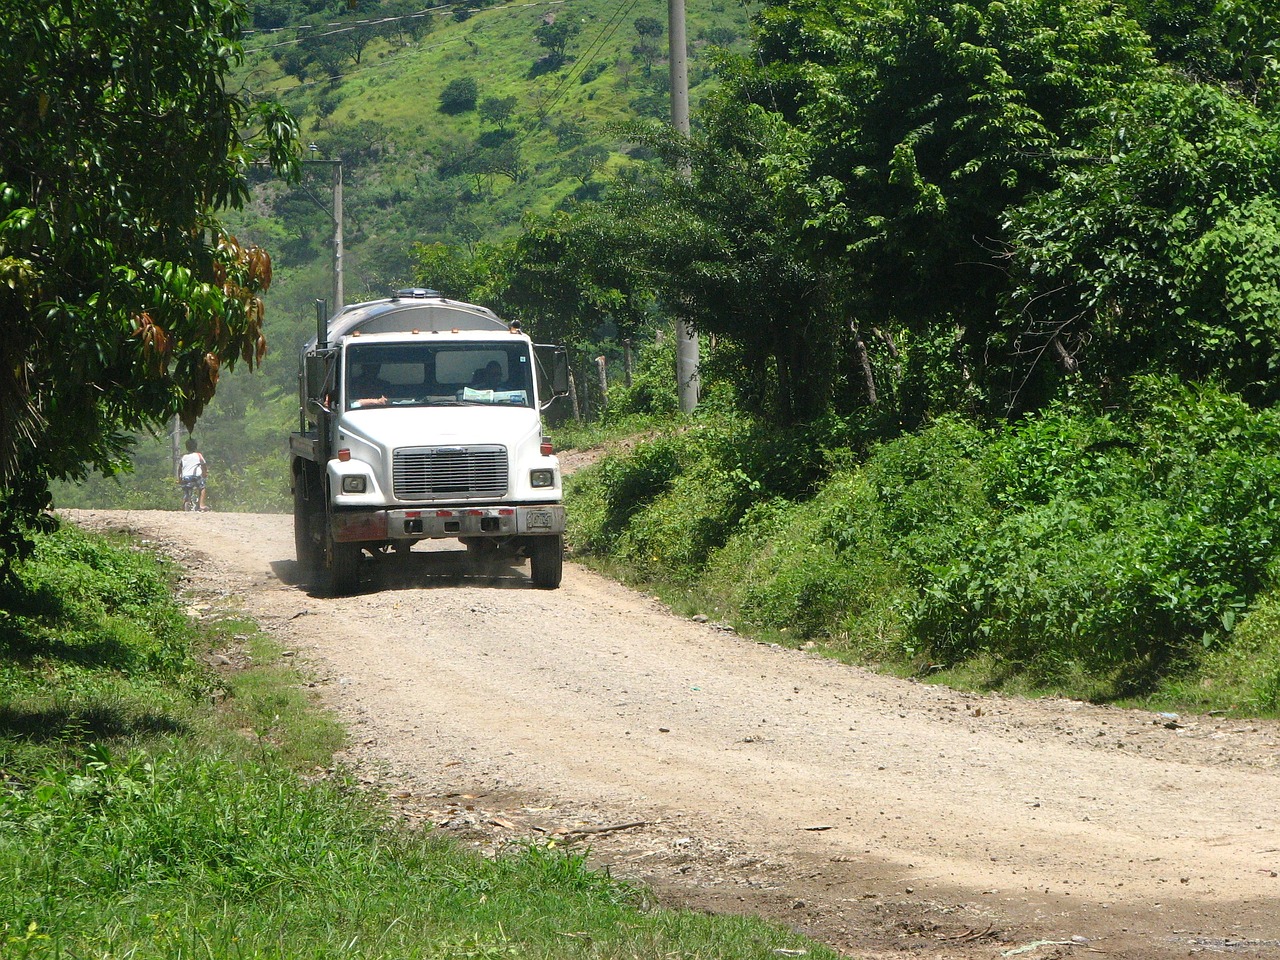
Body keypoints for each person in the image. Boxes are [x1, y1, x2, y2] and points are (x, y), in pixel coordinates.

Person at [178, 437, 209, 511]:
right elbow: (203, 465)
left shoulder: (184, 457)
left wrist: (179, 479)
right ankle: (201, 505)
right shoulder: (198, 455)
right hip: (195, 476)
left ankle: (185, 503)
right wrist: (205, 473)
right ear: (196, 446)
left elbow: (179, 469)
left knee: (186, 490)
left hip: (185, 477)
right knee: (202, 488)